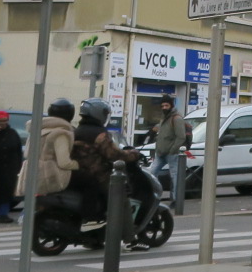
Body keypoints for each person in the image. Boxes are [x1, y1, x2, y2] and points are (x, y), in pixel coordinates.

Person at [71, 98, 152, 231]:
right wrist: (133, 154)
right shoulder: (99, 134)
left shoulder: (78, 130)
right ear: (98, 113)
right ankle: (129, 238)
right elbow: (114, 154)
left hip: (79, 173)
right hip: (98, 175)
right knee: (122, 199)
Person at [20, 99, 79, 207]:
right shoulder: (60, 133)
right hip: (50, 178)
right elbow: (64, 162)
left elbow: (27, 153)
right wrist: (78, 164)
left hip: (32, 175)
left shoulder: (37, 129)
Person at [151, 96, 188, 202]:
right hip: (160, 152)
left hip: (171, 153)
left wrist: (172, 150)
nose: (164, 107)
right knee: (152, 173)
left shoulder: (177, 118)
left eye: (166, 105)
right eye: (162, 105)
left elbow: (181, 136)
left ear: (171, 105)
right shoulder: (164, 118)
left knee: (175, 177)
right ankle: (153, 196)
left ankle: (176, 200)